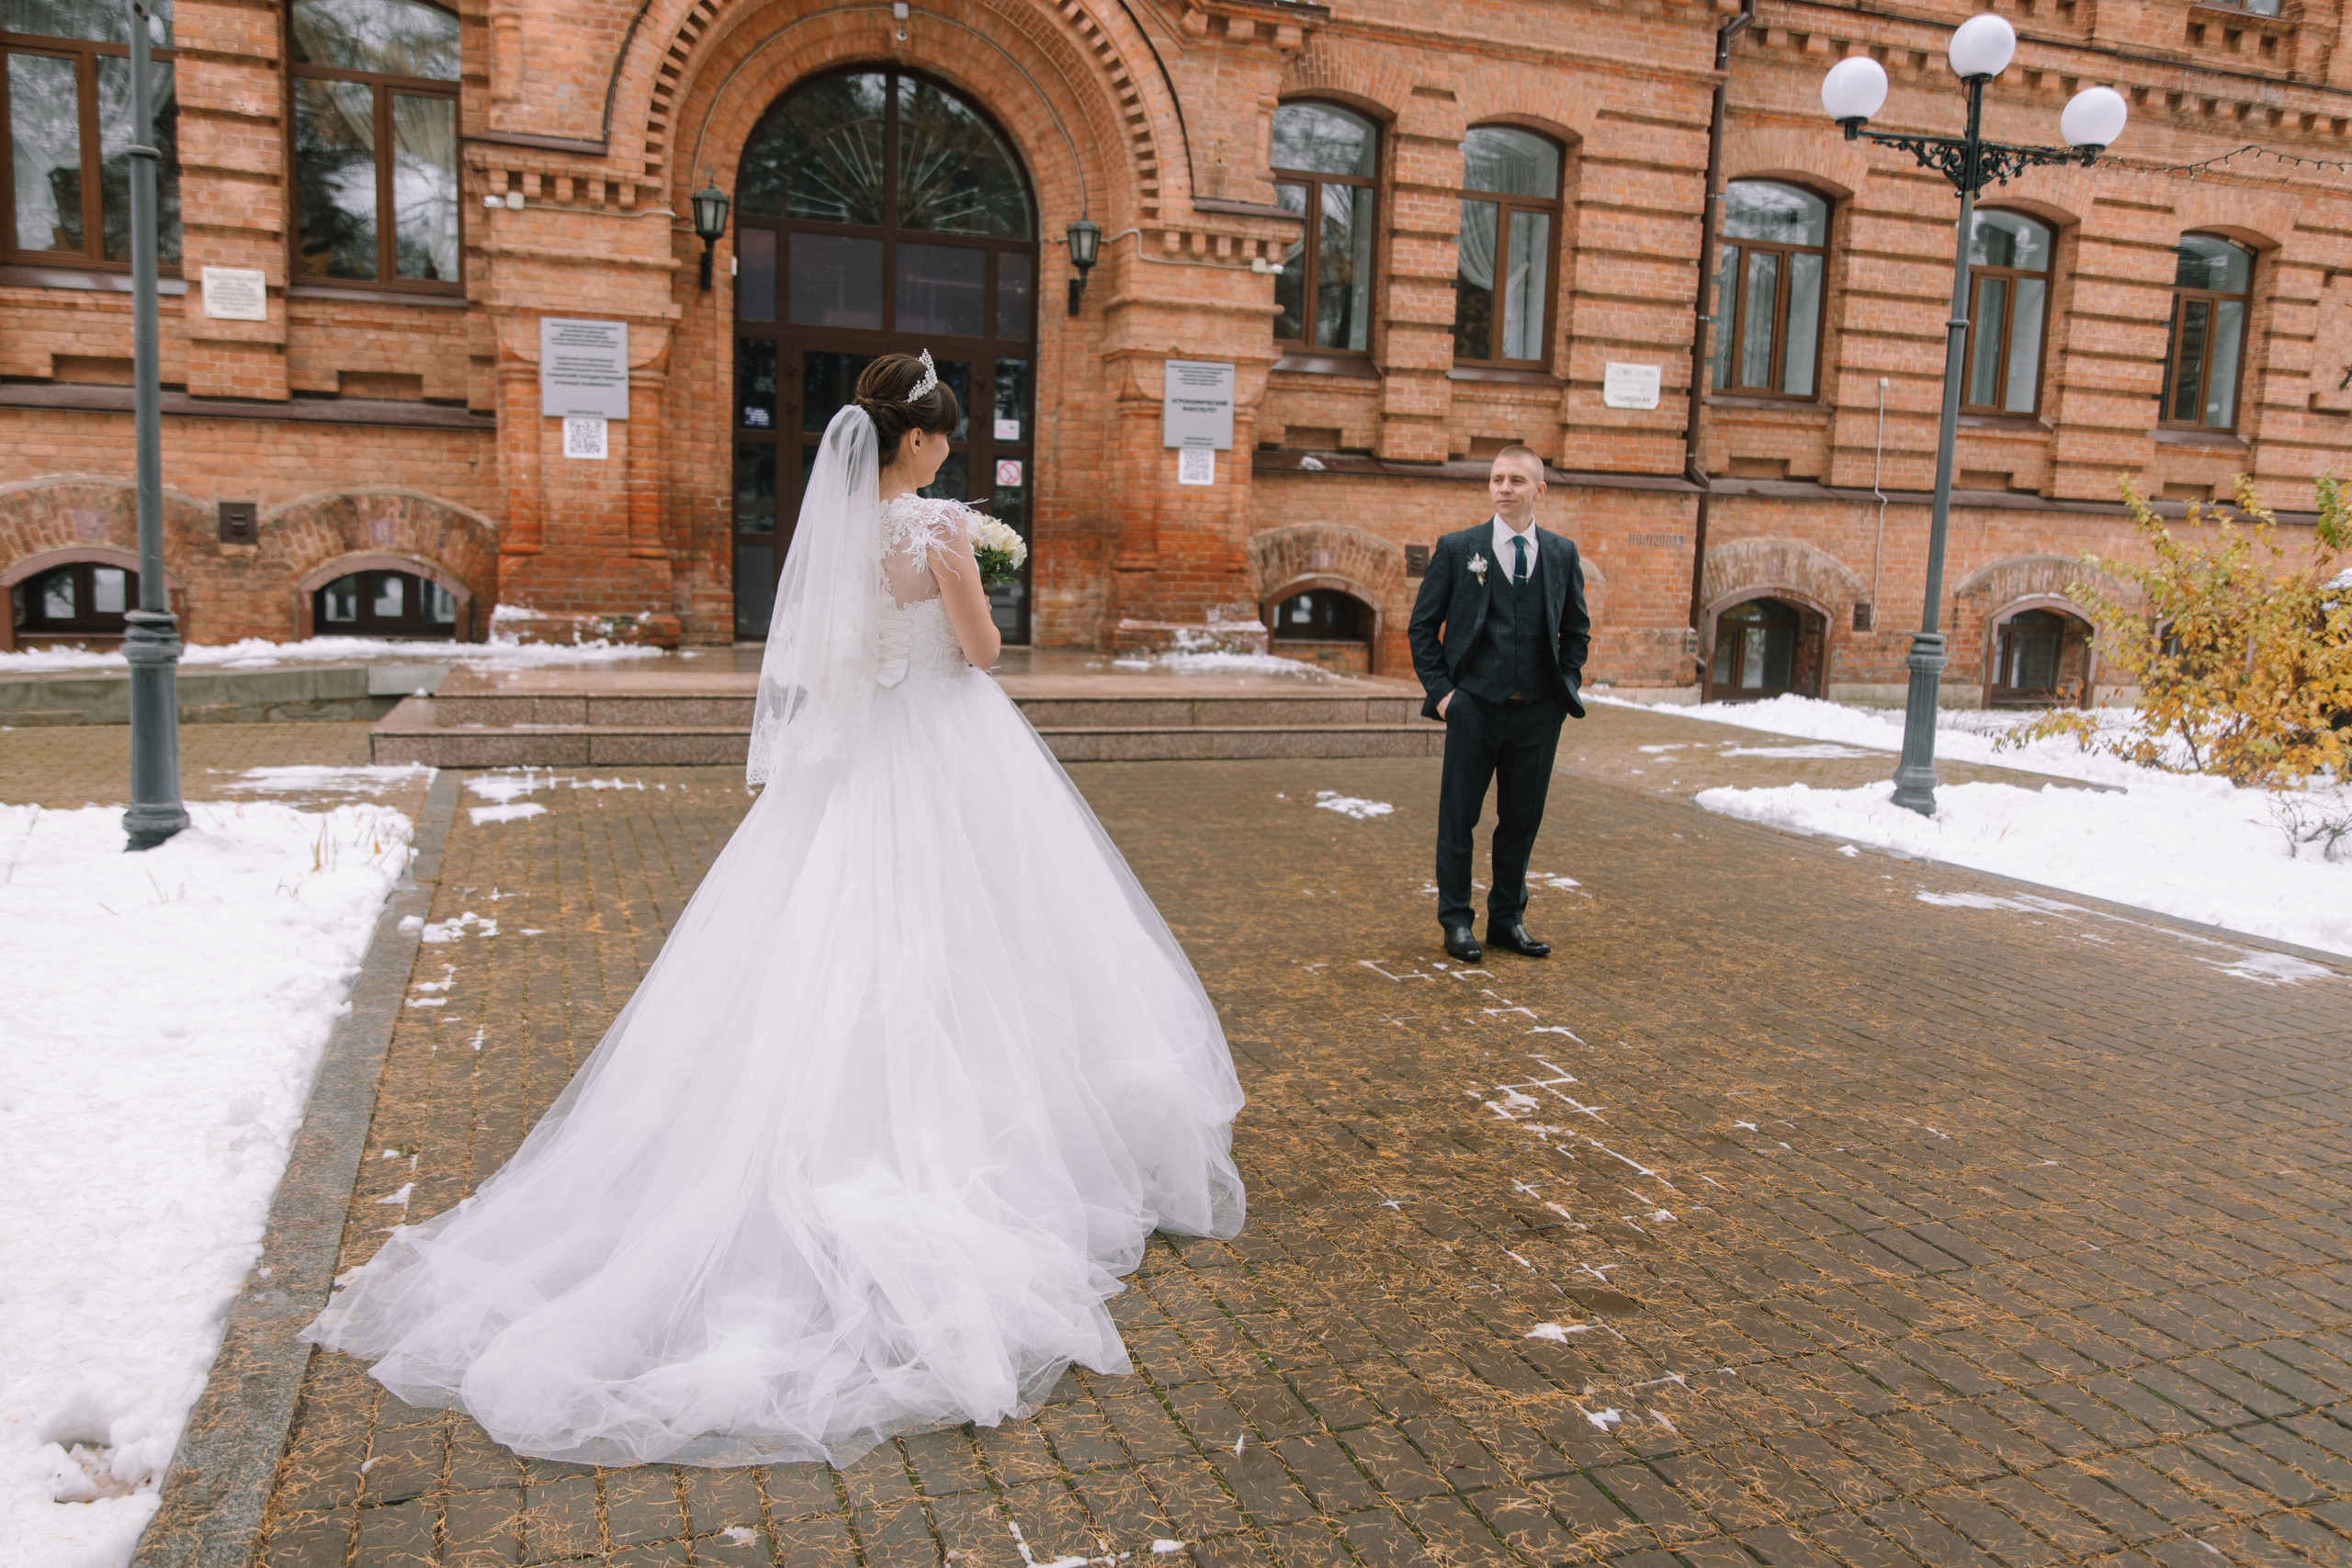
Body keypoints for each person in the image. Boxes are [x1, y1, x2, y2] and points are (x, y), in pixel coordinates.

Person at [302, 352, 1247, 1470]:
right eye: (944, 434)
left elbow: (819, 655)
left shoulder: (840, 532)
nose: (951, 449)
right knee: (985, 940)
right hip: (946, 750)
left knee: (830, 944)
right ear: (917, 441)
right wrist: (968, 586)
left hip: (852, 768)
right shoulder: (937, 529)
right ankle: (983, 1136)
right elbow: (984, 653)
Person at [1406, 446, 1590, 965]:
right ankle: (1457, 922)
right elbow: (1423, 628)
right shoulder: (1459, 547)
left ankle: (1507, 919)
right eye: (1496, 479)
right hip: (1473, 707)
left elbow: (1576, 630)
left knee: (1520, 820)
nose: (1504, 488)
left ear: (1539, 490)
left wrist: (1565, 687)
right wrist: (1444, 694)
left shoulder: (1560, 553)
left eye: (1515, 480)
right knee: (1458, 818)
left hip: (1537, 712)